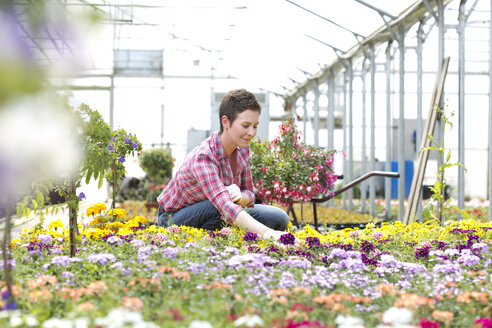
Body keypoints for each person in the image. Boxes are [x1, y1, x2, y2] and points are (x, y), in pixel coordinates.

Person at [156, 89, 291, 242]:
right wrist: (268, 234)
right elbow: (223, 204)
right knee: (220, 204)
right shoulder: (203, 156)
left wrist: (241, 198)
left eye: (255, 126)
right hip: (174, 218)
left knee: (278, 217)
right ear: (226, 122)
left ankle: (218, 234)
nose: (252, 132)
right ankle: (207, 240)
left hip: (220, 210)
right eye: (246, 125)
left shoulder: (242, 151)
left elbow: (250, 193)